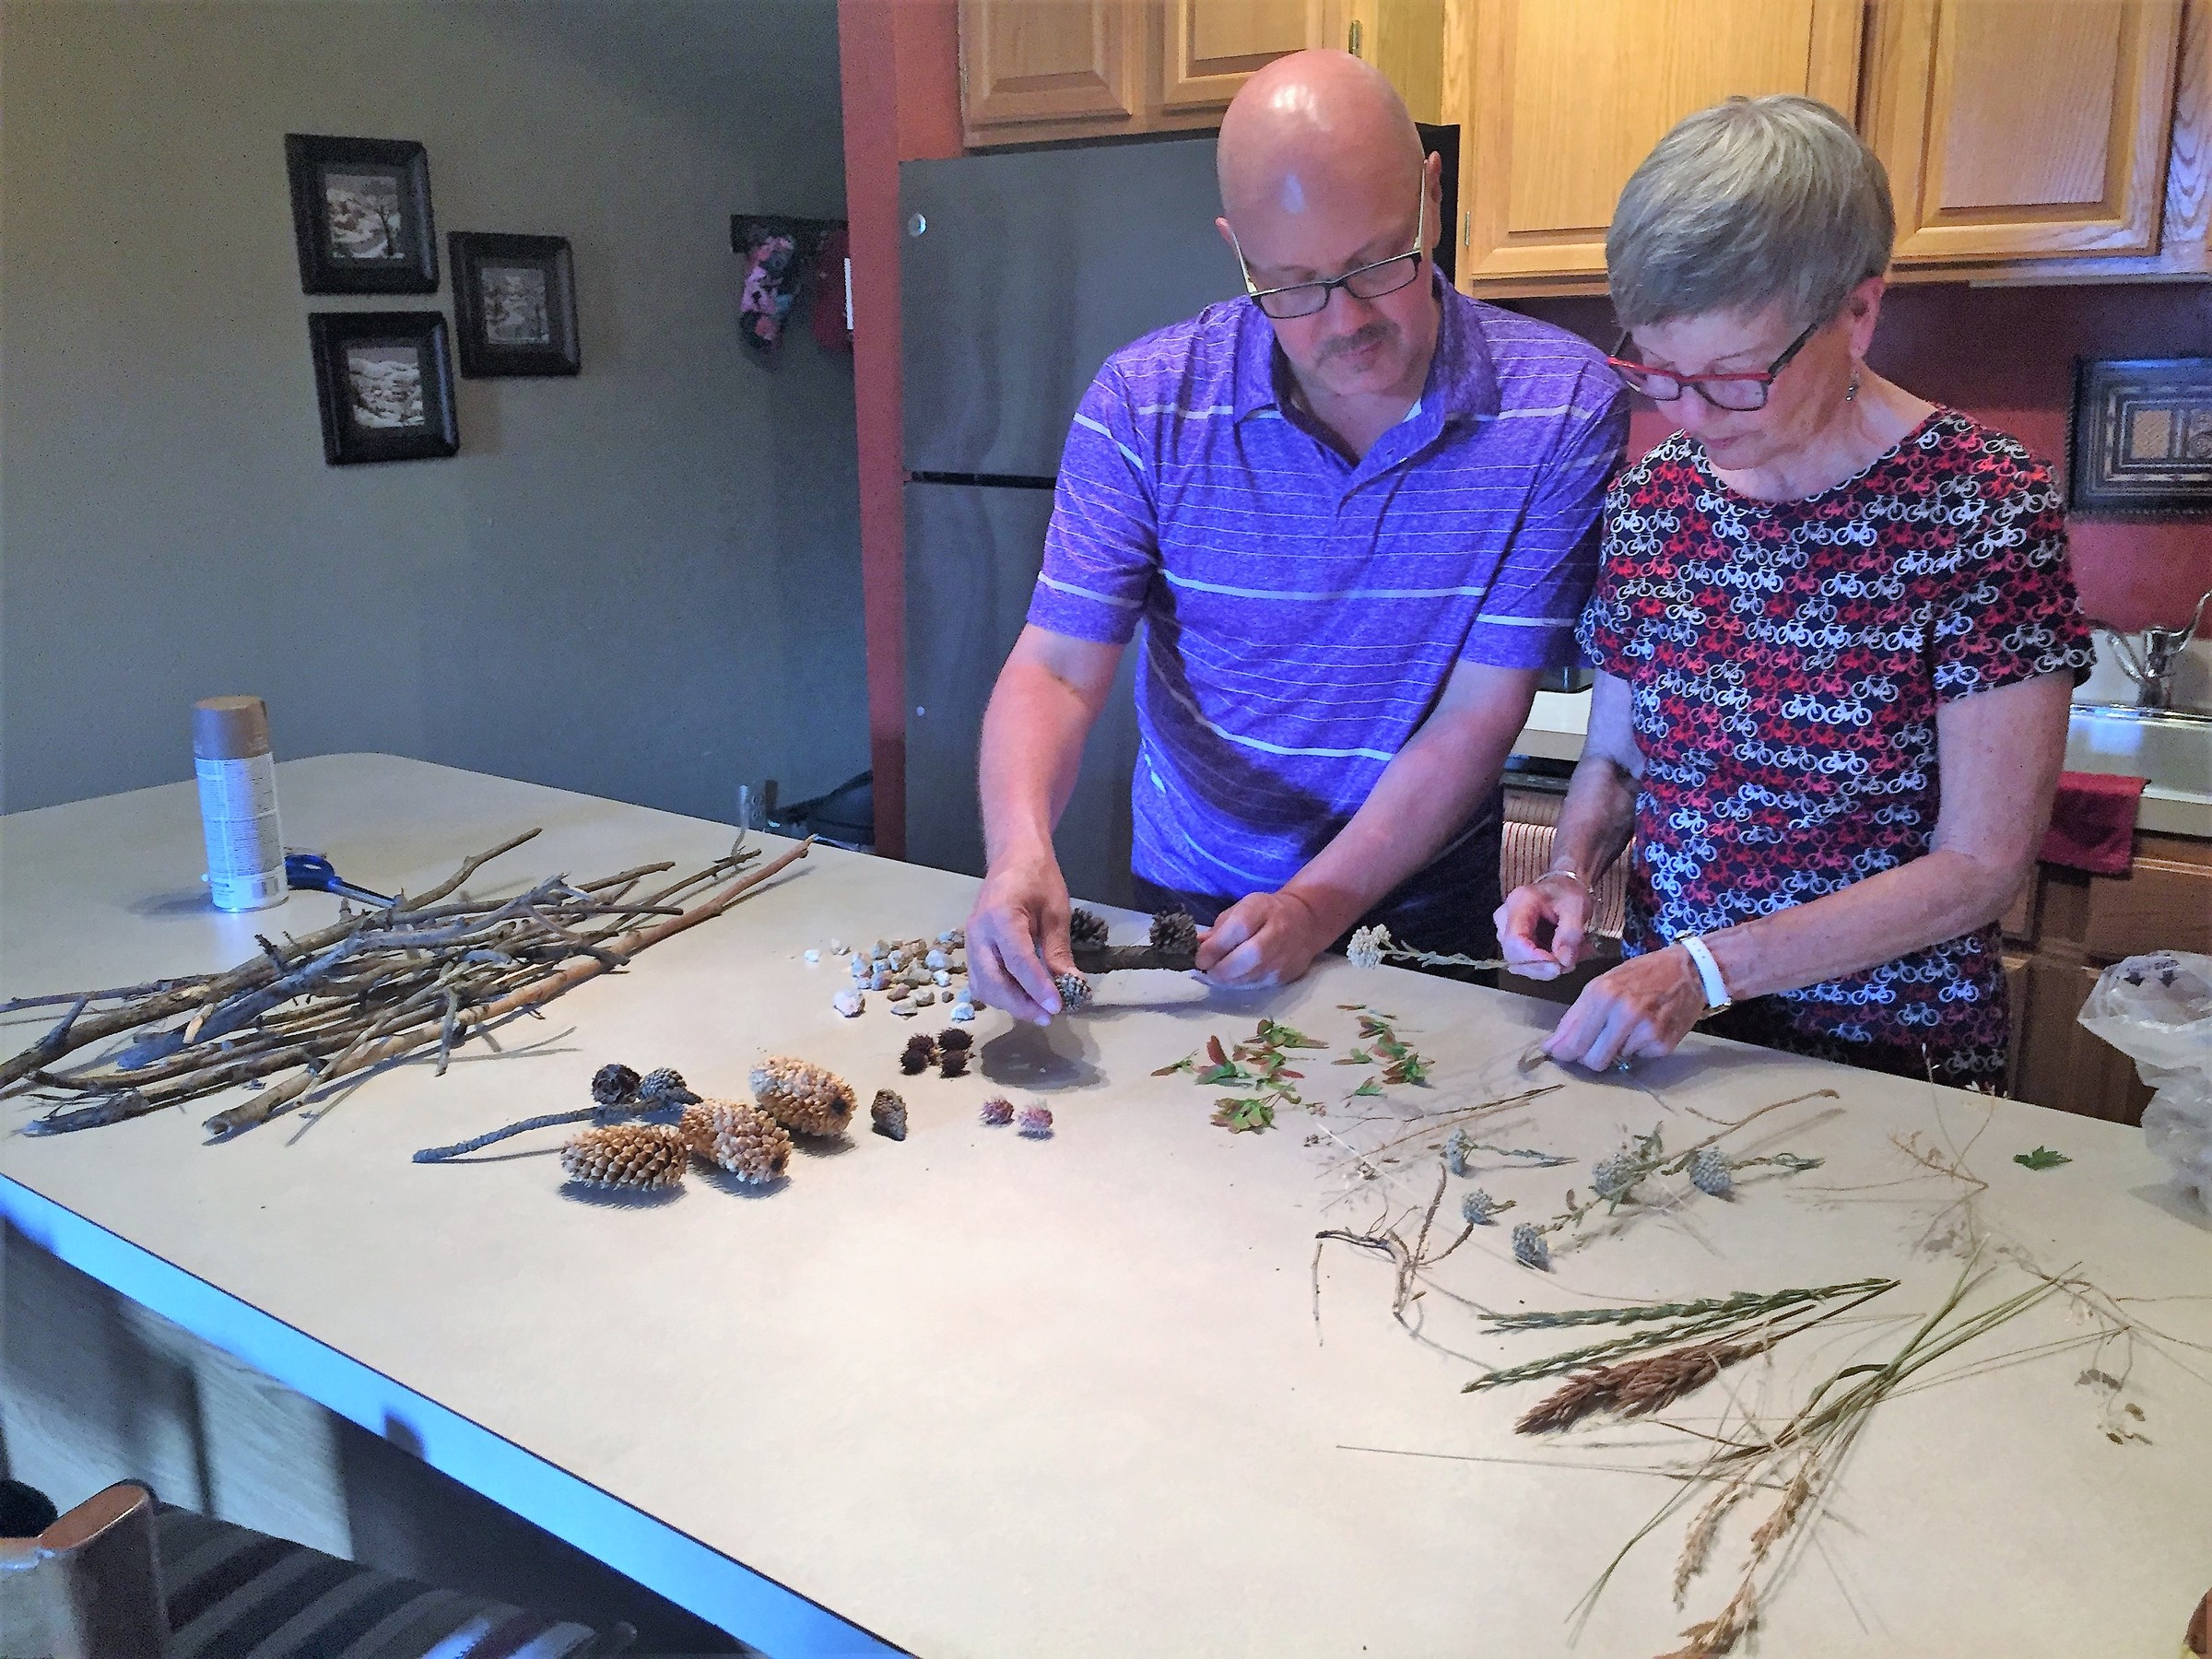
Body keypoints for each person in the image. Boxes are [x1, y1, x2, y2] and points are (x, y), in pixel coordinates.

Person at [965, 50, 1628, 1025]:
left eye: (1379, 263)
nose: (1345, 319)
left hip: (1422, 911)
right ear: (1239, 251)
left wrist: (1321, 902)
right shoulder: (1145, 401)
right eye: (1292, 284)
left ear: (1432, 198)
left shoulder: (1562, 407)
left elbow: (1477, 715)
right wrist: (1019, 849)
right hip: (1189, 895)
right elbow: (1059, 670)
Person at [1495, 94, 2092, 1089]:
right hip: (1675, 1040)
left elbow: (1981, 867)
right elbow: (1617, 753)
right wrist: (1568, 870)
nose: (1688, 413)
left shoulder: (1982, 506)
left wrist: (1705, 972)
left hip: (1894, 1061)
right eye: (1659, 372)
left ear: (1858, 312)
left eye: (1733, 376)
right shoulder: (1658, 498)